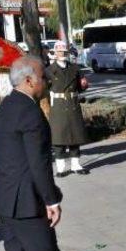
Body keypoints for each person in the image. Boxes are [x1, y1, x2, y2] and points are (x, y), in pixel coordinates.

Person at [0, 56, 101, 251]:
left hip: (4, 200)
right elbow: (39, 165)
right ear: (29, 80)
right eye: (43, 76)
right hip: (26, 203)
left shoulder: (7, 105)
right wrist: (51, 200)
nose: (47, 81)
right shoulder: (30, 112)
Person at [46, 40, 90, 177]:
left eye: (64, 52)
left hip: (72, 104)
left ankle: (76, 164)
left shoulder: (75, 68)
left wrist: (83, 85)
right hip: (58, 105)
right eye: (59, 52)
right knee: (59, 138)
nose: (62, 54)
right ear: (55, 53)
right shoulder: (48, 71)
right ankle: (61, 167)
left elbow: (80, 86)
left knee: (75, 136)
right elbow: (44, 90)